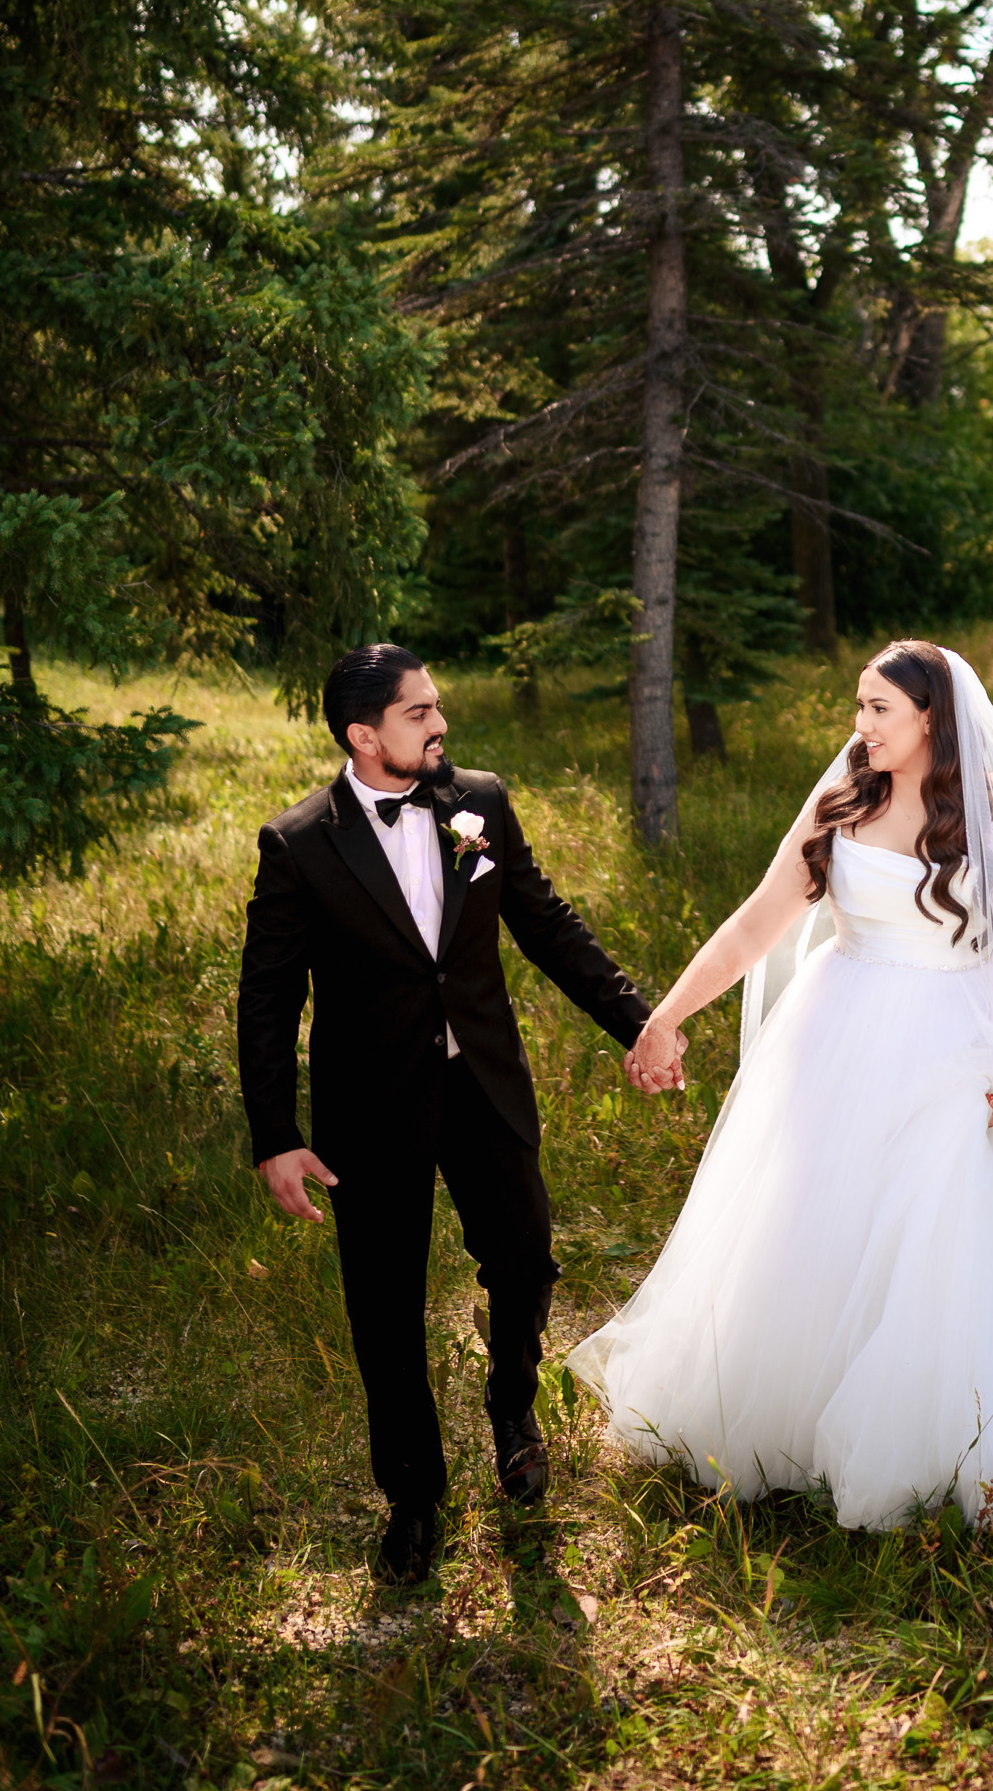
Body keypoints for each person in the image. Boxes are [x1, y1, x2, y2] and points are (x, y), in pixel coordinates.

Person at [570, 640, 993, 1537]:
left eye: (878, 710)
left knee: (933, 1230)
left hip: (948, 1044)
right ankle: (789, 1410)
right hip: (832, 1034)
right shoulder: (843, 803)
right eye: (857, 707)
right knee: (808, 1219)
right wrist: (664, 1017)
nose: (858, 728)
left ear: (931, 718)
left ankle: (931, 1435)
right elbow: (758, 920)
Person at [236, 643, 672, 1584]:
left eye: (436, 708)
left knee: (525, 1261)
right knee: (383, 1309)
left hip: (481, 1082)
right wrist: (275, 1135)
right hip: (371, 1107)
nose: (439, 725)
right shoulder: (300, 843)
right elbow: (266, 997)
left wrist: (640, 1023)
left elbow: (546, 923)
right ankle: (413, 1497)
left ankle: (511, 1407)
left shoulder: (480, 801)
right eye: (418, 712)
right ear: (364, 734)